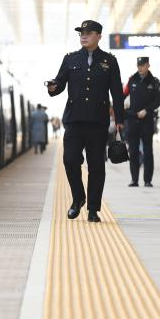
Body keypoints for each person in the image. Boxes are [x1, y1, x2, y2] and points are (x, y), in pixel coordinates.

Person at [48, 20, 124, 222]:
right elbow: (60, 82)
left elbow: (117, 92)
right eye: (81, 32)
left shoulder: (109, 61)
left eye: (88, 33)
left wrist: (119, 119)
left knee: (96, 166)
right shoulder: (70, 59)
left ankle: (93, 209)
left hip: (98, 122)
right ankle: (78, 198)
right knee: (70, 160)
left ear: (99, 36)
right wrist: (53, 87)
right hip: (74, 120)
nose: (83, 35)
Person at [125, 57, 160, 188]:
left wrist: (147, 110)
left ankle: (147, 180)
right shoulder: (132, 80)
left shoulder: (154, 81)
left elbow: (158, 100)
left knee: (148, 152)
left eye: (143, 65)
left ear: (148, 66)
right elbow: (123, 94)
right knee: (133, 151)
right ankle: (134, 180)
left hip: (147, 121)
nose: (140, 68)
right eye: (138, 65)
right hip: (133, 121)